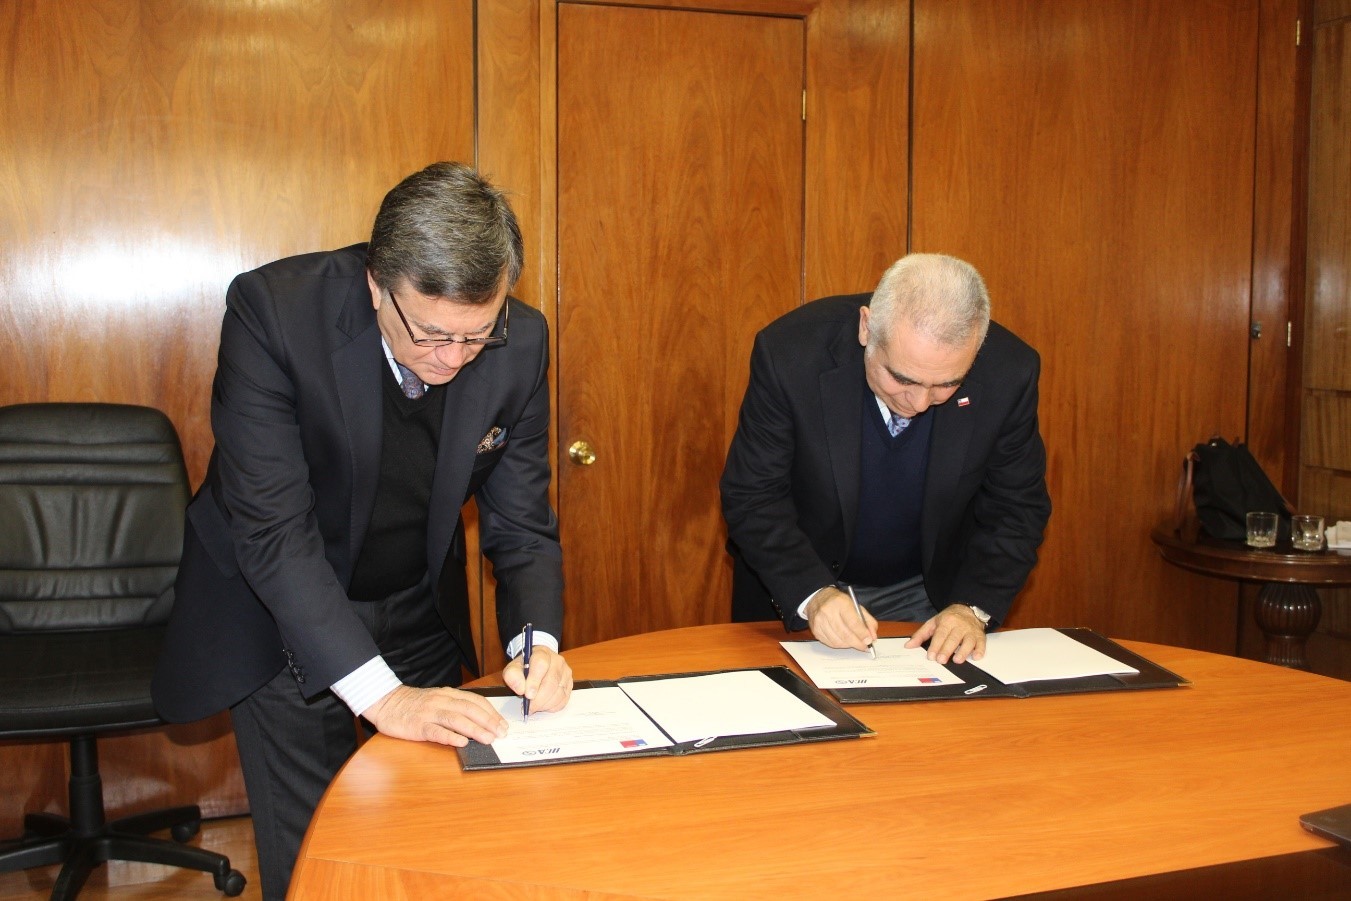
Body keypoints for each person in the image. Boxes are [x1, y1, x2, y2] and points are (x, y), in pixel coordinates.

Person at [152, 162, 572, 900]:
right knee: (322, 850)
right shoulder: (274, 314)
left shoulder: (521, 341)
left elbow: (521, 521)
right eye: (433, 333)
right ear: (378, 283)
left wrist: (534, 645)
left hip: (413, 594)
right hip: (279, 610)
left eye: (476, 337)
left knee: (445, 829)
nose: (452, 359)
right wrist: (383, 697)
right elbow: (275, 533)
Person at [720, 253, 1050, 666]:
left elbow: (1016, 507)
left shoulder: (1009, 371)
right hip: (799, 579)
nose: (919, 402)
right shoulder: (791, 353)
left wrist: (972, 606)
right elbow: (753, 495)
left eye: (946, 384)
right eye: (902, 378)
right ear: (866, 326)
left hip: (931, 593)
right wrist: (814, 593)